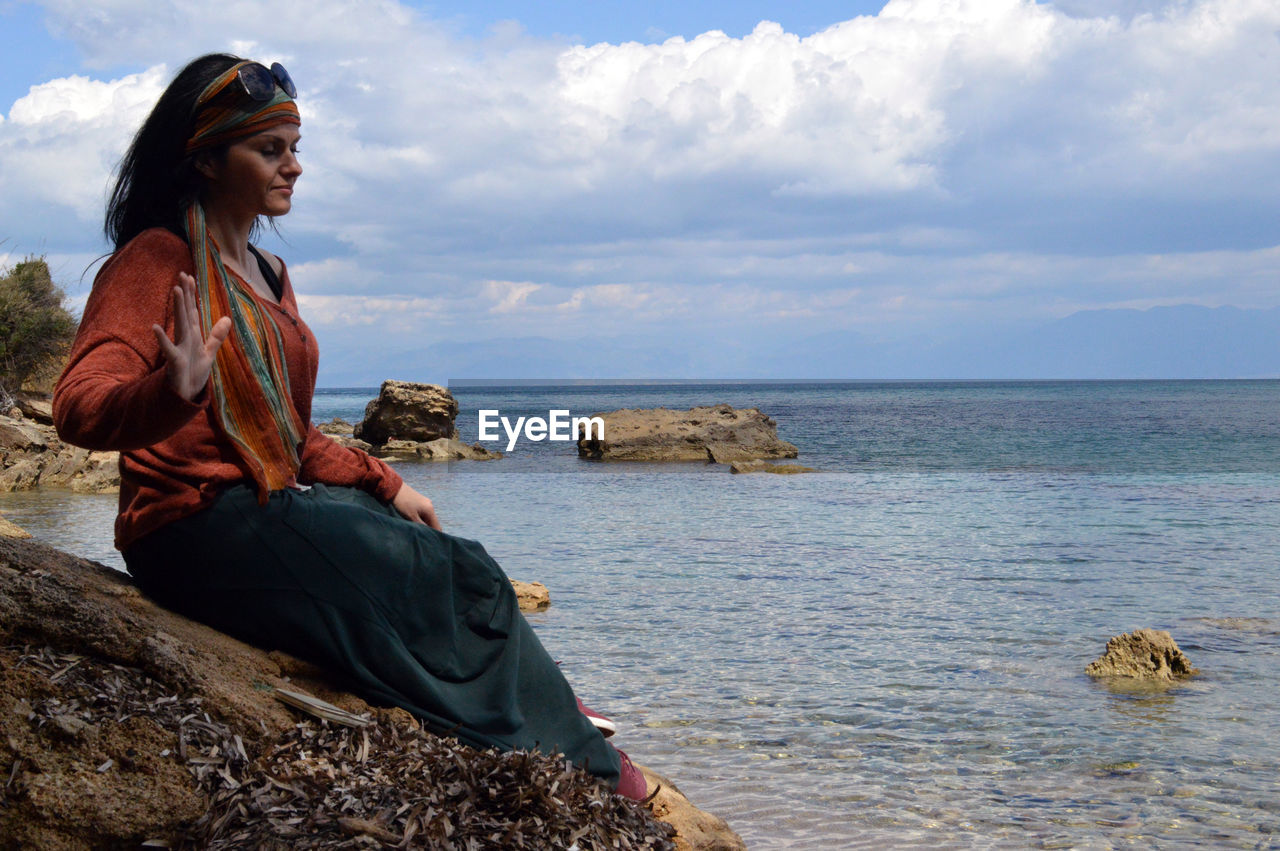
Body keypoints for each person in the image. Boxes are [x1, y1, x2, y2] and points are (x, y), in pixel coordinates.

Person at [52, 53, 645, 800]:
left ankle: (540, 706)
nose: (293, 167)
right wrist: (169, 393)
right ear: (205, 158)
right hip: (192, 530)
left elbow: (290, 437)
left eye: (295, 148)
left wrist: (386, 482)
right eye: (269, 150)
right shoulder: (158, 259)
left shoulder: (268, 274)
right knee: (451, 577)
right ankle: (587, 767)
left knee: (452, 554)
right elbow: (77, 403)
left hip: (265, 507)